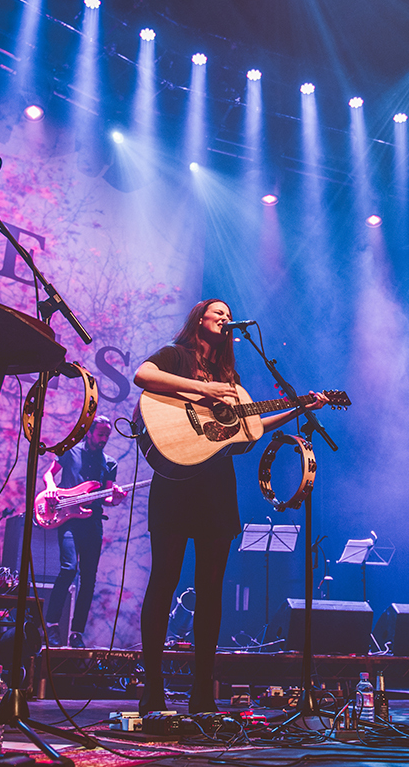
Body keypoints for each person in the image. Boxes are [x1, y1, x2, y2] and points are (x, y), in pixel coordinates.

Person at [133, 299, 325, 714]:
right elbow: (142, 375)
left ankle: (203, 691)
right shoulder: (175, 354)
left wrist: (297, 409)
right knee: (164, 580)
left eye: (227, 314)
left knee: (211, 590)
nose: (224, 317)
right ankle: (152, 688)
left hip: (216, 485)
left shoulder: (230, 378)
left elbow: (247, 430)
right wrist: (204, 389)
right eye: (216, 312)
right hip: (173, 482)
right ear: (199, 319)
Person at [41, 415, 126, 648]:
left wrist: (116, 499)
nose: (104, 439)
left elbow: (107, 497)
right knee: (69, 569)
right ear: (89, 433)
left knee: (88, 580)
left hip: (93, 523)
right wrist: (51, 488)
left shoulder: (109, 463)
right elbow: (49, 473)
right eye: (100, 434)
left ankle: (76, 633)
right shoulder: (70, 452)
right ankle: (51, 625)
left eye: (107, 436)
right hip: (68, 519)